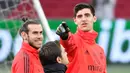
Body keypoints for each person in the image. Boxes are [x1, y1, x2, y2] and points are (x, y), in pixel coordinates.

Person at [56, 3, 107, 73]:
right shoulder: (74, 40)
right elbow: (68, 42)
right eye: (80, 16)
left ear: (94, 18)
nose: (83, 19)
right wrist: (65, 37)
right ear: (75, 20)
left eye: (87, 15)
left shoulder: (100, 50)